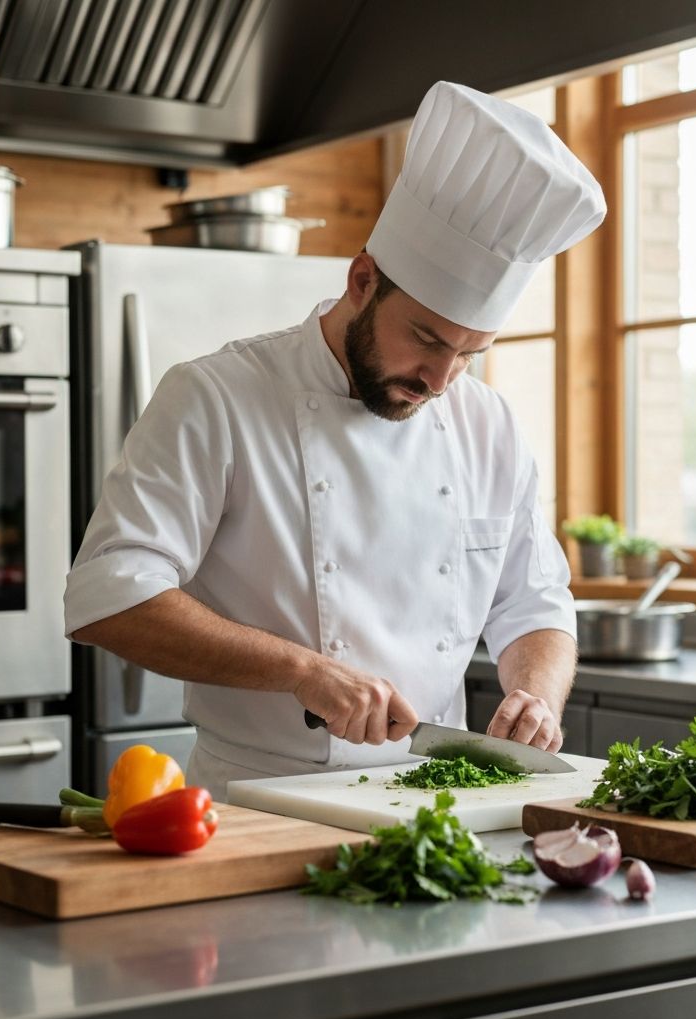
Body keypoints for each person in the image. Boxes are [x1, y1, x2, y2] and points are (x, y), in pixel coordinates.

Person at [64, 81, 606, 799]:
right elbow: (109, 598)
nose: (442, 378)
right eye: (426, 339)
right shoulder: (216, 396)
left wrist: (535, 696)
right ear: (361, 279)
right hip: (262, 799)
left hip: (438, 800)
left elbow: (534, 604)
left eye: (470, 352)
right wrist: (305, 671)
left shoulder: (490, 425)